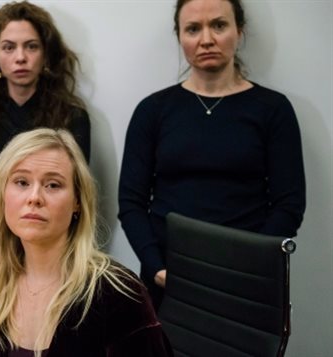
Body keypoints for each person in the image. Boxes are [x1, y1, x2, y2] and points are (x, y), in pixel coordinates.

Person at [118, 0, 306, 309]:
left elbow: (290, 204)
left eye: (219, 25)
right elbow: (131, 202)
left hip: (247, 280)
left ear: (239, 32)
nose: (206, 39)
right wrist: (155, 267)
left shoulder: (273, 109)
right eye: (193, 29)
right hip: (169, 278)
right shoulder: (152, 111)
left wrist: (249, 266)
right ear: (180, 37)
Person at [0, 128, 172, 357]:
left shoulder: (118, 291)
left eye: (53, 185)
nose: (34, 197)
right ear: (2, 195)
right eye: (21, 182)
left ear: (77, 203)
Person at [0, 1, 90, 210]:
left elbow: (73, 198)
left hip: (51, 236)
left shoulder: (72, 118)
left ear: (45, 55)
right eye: (9, 47)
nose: (20, 58)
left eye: (31, 46)